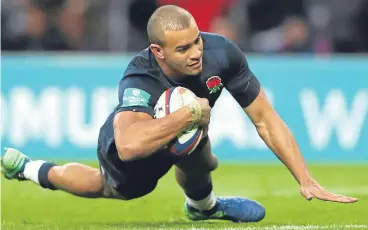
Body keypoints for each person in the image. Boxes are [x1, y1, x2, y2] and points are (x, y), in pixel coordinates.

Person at [1, 5, 357, 223]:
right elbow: (128, 145)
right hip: (129, 144)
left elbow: (265, 117)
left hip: (183, 133)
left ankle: (203, 207)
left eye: (197, 40)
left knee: (202, 153)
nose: (196, 53)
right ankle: (30, 168)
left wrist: (305, 178)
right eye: (183, 48)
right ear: (158, 51)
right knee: (107, 188)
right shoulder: (139, 74)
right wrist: (188, 115)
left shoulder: (222, 53)